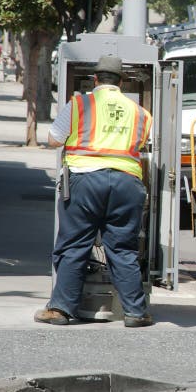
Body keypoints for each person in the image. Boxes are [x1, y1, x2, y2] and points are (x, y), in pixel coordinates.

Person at [35, 56, 154, 328]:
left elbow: (54, 140)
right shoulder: (140, 112)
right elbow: (143, 144)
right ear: (121, 83)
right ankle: (136, 312)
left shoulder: (79, 104)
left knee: (75, 244)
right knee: (123, 248)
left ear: (96, 80)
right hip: (127, 183)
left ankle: (61, 309)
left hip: (86, 180)